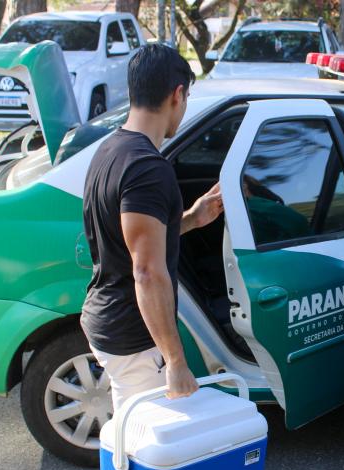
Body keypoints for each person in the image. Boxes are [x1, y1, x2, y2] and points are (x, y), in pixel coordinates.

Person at [81, 43, 223, 409]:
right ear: (178, 94)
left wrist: (192, 219)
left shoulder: (111, 149)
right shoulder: (147, 169)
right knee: (145, 437)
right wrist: (175, 361)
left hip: (108, 318)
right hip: (134, 340)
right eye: (187, 98)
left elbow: (129, 240)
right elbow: (146, 272)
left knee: (131, 430)